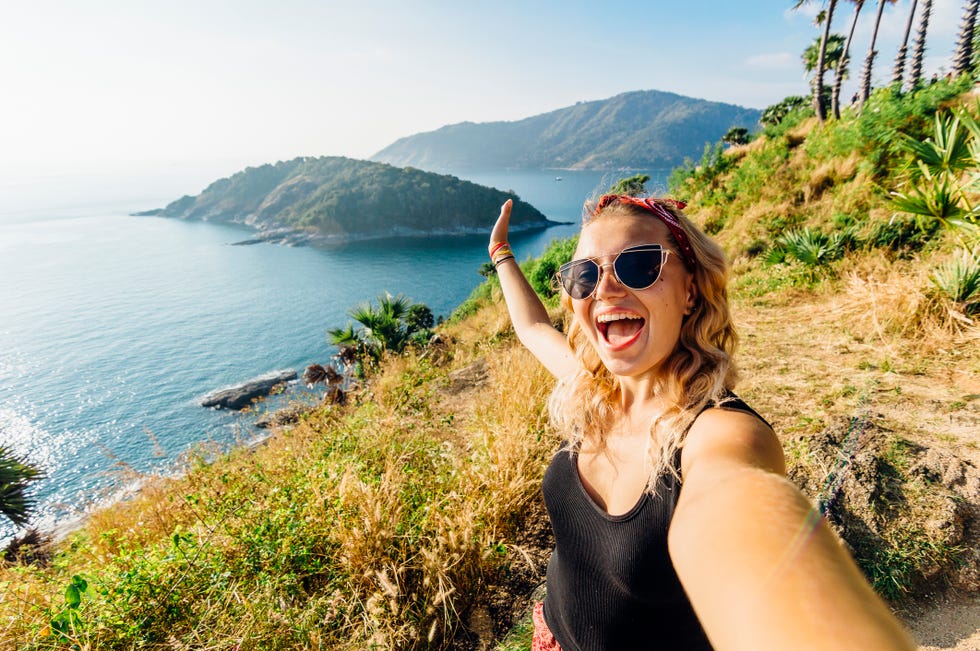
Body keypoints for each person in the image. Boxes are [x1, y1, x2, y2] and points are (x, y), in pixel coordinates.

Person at [488, 194, 914, 651]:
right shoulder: (590, 388)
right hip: (552, 635)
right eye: (585, 275)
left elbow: (737, 507)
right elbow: (533, 328)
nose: (605, 290)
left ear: (690, 290)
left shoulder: (718, 433)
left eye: (639, 265)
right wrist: (502, 255)